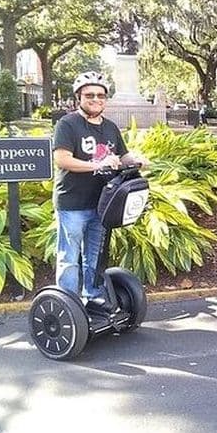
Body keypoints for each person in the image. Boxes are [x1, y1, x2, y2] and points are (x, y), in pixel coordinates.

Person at [53, 71, 149, 305]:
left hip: (102, 204)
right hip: (73, 203)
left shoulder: (110, 127)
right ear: (79, 97)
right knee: (69, 259)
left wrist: (136, 159)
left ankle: (93, 298)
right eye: (89, 95)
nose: (96, 99)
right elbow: (62, 159)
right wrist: (97, 164)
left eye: (100, 95)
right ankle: (69, 305)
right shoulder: (68, 124)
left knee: (94, 258)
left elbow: (122, 155)